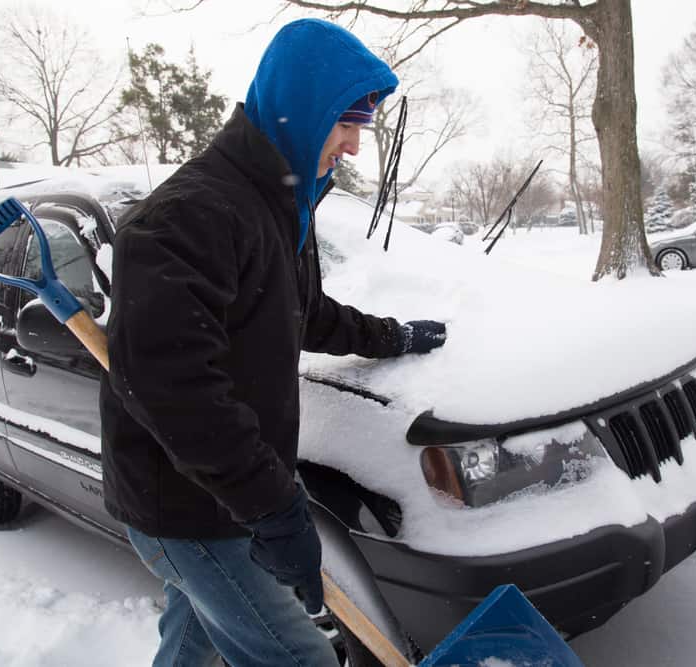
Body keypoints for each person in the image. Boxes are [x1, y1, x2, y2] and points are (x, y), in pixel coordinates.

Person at [99, 18, 447, 667]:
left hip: (220, 498)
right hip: (185, 506)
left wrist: (390, 336)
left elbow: (301, 312)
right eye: (346, 123)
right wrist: (275, 504)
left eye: (360, 127)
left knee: (194, 643)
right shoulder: (189, 215)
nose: (353, 147)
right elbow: (173, 387)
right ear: (300, 110)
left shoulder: (276, 205)